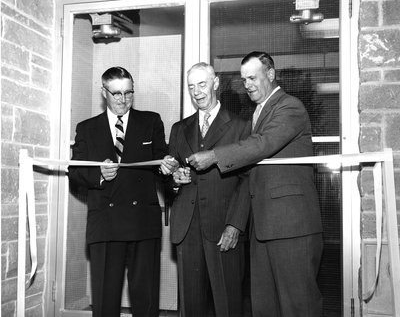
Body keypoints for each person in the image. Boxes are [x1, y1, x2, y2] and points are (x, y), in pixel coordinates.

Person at [187, 52, 323, 317]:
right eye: (243, 79)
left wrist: (215, 156)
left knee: (298, 306)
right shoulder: (257, 113)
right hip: (263, 226)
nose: (246, 84)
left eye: (252, 77)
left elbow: (262, 145)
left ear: (270, 75)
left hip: (291, 227)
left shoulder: (289, 107)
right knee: (264, 307)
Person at [69, 66, 170, 317]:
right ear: (104, 92)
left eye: (128, 92)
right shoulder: (87, 128)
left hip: (142, 224)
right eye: (116, 93)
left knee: (146, 303)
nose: (123, 99)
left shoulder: (151, 121)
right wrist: (99, 176)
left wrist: (169, 166)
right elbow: (74, 174)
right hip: (105, 224)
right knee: (104, 303)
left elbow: (161, 163)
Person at [160, 62, 249, 317]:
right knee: (190, 308)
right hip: (187, 229)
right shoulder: (179, 129)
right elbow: (168, 179)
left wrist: (235, 225)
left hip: (223, 229)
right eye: (191, 86)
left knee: (228, 306)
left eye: (202, 84)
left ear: (216, 83)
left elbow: (247, 180)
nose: (197, 92)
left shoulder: (240, 126)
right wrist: (175, 178)